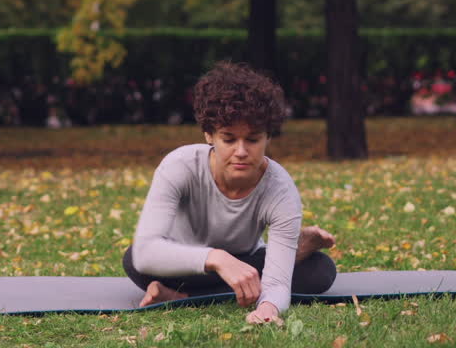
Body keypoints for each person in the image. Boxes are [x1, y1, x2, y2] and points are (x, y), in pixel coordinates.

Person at [121, 61, 337, 325]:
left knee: (320, 271)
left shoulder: (280, 189)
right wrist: (217, 258)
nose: (242, 151)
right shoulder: (179, 166)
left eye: (253, 139)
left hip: (247, 263)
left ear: (269, 137)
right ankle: (292, 251)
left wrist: (268, 308)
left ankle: (181, 297)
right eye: (229, 139)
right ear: (209, 135)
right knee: (135, 260)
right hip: (186, 262)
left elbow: (278, 282)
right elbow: (145, 253)